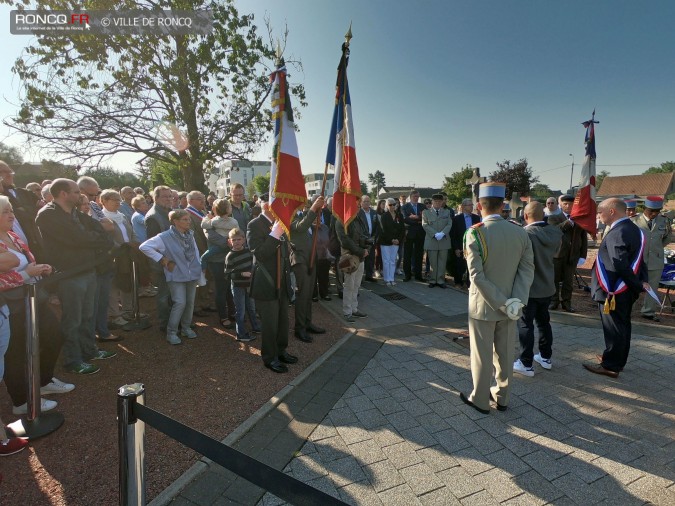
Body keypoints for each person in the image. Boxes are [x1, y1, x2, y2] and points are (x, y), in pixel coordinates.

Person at [460, 183, 534, 414]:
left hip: (484, 305)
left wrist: (501, 302)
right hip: (511, 306)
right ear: (503, 205)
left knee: (481, 355)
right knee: (505, 354)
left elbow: (476, 276)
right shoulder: (520, 231)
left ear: (480, 205)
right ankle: (502, 396)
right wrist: (515, 302)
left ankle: (480, 400)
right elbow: (527, 270)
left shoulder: (476, 232)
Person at [36, 179, 116, 375]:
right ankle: (73, 360)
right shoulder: (48, 216)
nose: (80, 195)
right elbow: (78, 238)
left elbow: (101, 231)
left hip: (88, 270)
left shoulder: (74, 213)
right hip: (69, 274)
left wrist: (95, 239)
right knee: (72, 320)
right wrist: (95, 240)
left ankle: (89, 351)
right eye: (75, 192)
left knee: (87, 316)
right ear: (63, 194)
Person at [584, 198, 649, 378]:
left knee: (614, 327)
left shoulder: (618, 232)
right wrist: (641, 281)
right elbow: (640, 260)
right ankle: (615, 358)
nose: (598, 216)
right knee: (622, 325)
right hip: (626, 289)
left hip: (614, 290)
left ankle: (611, 365)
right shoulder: (634, 229)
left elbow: (619, 263)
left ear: (612, 211)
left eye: (600, 212)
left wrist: (636, 284)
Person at [247, 193, 297, 373]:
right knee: (269, 324)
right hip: (266, 282)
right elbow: (259, 253)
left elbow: (285, 256)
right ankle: (270, 357)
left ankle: (281, 350)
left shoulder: (281, 223)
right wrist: (274, 234)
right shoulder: (254, 225)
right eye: (269, 200)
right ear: (263, 205)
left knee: (283, 320)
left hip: (282, 281)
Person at [514, 201, 563, 377]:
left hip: (529, 287)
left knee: (525, 325)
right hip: (547, 285)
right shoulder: (555, 232)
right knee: (544, 323)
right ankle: (545, 357)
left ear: (525, 216)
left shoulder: (525, 234)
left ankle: (526, 363)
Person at [140, 209, 201, 345]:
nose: (188, 221)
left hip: (192, 273)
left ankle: (185, 328)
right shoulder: (164, 236)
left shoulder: (190, 234)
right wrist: (161, 259)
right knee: (180, 302)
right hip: (176, 274)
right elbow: (144, 247)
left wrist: (199, 267)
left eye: (189, 219)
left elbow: (195, 251)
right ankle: (171, 332)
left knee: (190, 303)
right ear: (175, 221)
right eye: (185, 219)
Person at [289, 196, 326, 343]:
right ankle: (299, 328)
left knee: (309, 293)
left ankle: (307, 323)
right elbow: (301, 227)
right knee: (302, 294)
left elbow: (309, 225)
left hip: (310, 257)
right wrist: (313, 209)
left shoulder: (302, 214)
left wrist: (315, 211)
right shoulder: (288, 215)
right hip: (300, 259)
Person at [100, 189, 138, 329]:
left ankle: (128, 310)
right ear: (103, 201)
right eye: (114, 199)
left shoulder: (122, 216)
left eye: (118, 199)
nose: (118, 202)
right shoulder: (102, 218)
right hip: (113, 256)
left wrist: (133, 244)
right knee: (114, 286)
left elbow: (132, 232)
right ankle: (115, 314)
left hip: (127, 254)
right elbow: (106, 238)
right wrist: (121, 248)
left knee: (127, 282)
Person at [631, 196, 671, 322]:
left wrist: (656, 248)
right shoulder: (634, 221)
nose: (654, 214)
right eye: (651, 211)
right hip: (638, 259)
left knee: (652, 286)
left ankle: (648, 311)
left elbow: (667, 237)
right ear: (644, 208)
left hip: (655, 259)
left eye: (657, 211)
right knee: (633, 284)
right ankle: (627, 309)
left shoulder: (664, 221)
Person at [201, 198, 238, 328]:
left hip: (228, 257)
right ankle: (223, 316)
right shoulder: (227, 222)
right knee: (221, 288)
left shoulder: (212, 222)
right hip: (217, 261)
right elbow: (210, 235)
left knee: (229, 287)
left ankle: (232, 312)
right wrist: (229, 242)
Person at [550, 194, 588, 312]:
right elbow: (555, 230)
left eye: (571, 204)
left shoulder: (579, 220)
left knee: (568, 282)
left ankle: (567, 303)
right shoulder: (554, 217)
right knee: (554, 280)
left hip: (572, 255)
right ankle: (554, 301)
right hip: (557, 254)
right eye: (565, 204)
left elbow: (583, 238)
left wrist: (583, 255)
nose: (568, 206)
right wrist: (569, 221)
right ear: (561, 205)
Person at [224, 228, 260, 342]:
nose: (236, 242)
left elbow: (254, 265)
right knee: (240, 311)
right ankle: (241, 334)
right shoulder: (230, 256)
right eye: (234, 240)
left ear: (244, 239)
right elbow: (227, 275)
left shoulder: (248, 252)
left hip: (249, 285)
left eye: (239, 239)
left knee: (252, 308)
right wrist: (241, 274)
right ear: (230, 241)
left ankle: (256, 327)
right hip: (237, 286)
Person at [145, 185, 173, 330]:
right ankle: (165, 325)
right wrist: (163, 261)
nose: (169, 199)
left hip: (173, 262)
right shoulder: (153, 216)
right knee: (163, 296)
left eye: (170, 196)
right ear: (155, 198)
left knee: (174, 295)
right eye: (165, 196)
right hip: (162, 264)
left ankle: (175, 323)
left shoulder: (169, 212)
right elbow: (152, 244)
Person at [336, 205, 370, 322]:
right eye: (356, 205)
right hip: (349, 258)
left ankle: (354, 309)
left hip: (360, 257)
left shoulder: (358, 219)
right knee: (349, 286)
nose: (358, 208)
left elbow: (363, 235)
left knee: (356, 285)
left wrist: (366, 247)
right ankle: (347, 312)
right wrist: (361, 251)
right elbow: (345, 241)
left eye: (359, 206)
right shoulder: (341, 221)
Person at [185, 191, 215, 316]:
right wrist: (202, 250)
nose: (203, 201)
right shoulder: (187, 214)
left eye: (203, 198)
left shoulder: (202, 212)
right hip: (197, 251)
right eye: (199, 199)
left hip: (205, 251)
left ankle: (205, 303)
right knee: (196, 279)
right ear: (190, 201)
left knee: (206, 278)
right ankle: (196, 306)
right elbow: (193, 236)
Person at [422, 194, 452, 288]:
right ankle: (433, 280)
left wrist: (442, 233)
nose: (438, 203)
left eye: (440, 201)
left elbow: (449, 224)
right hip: (432, 240)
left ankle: (440, 280)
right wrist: (435, 234)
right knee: (433, 261)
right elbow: (425, 224)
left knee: (442, 261)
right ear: (432, 202)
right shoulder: (426, 212)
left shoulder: (446, 212)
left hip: (443, 240)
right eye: (436, 201)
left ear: (442, 202)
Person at [451, 198, 480, 288]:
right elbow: (453, 235)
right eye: (469, 205)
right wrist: (456, 248)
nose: (472, 206)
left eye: (472, 205)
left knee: (471, 265)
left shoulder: (476, 218)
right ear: (463, 207)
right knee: (459, 265)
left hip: (473, 245)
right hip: (460, 246)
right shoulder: (456, 219)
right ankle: (458, 282)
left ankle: (469, 284)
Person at [378, 198, 405, 287]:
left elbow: (402, 229)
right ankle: (387, 279)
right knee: (386, 261)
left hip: (396, 242)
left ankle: (392, 278)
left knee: (393, 260)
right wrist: (391, 240)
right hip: (386, 242)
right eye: (390, 205)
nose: (392, 206)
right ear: (386, 206)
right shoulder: (384, 216)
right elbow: (383, 230)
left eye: (394, 204)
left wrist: (398, 239)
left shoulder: (399, 216)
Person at [401, 190, 425, 282]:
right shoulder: (404, 207)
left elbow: (425, 218)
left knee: (419, 255)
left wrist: (415, 218)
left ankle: (418, 275)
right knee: (407, 255)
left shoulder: (422, 206)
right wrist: (418, 220)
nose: (416, 198)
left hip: (420, 234)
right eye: (415, 196)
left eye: (418, 196)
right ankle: (407, 275)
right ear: (410, 197)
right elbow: (405, 218)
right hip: (409, 234)